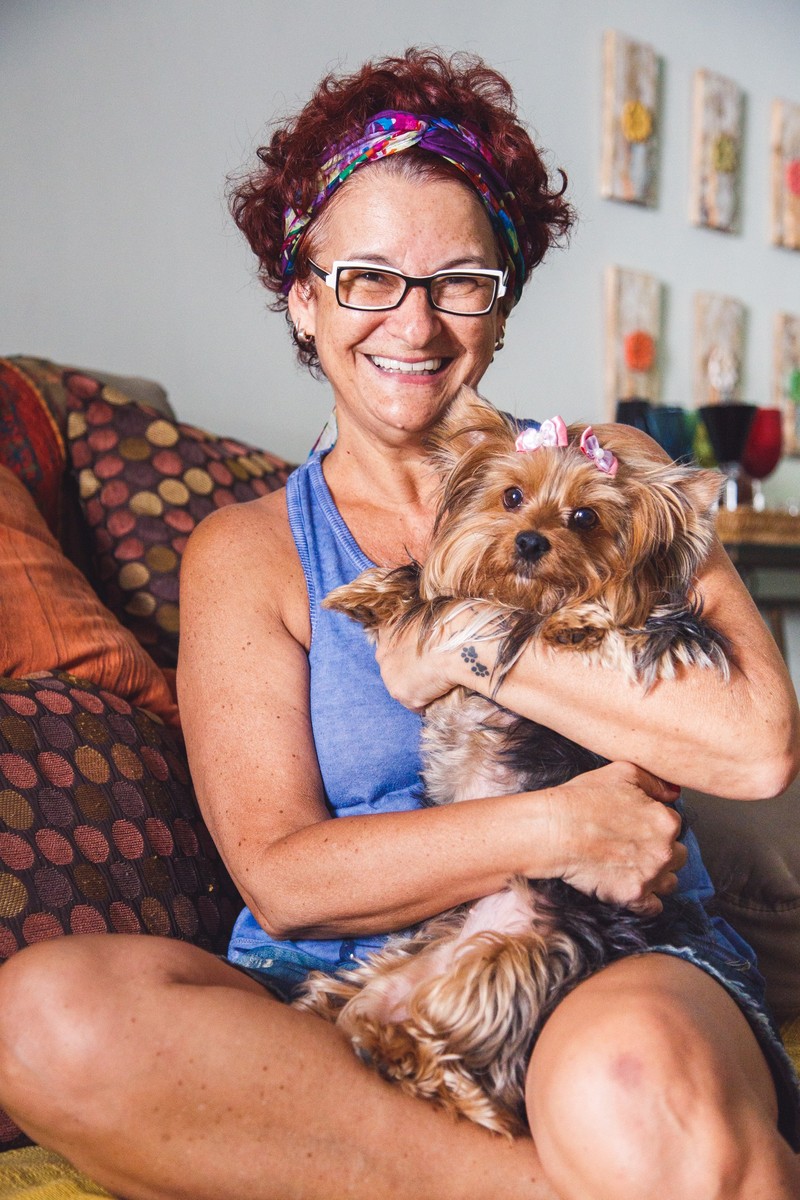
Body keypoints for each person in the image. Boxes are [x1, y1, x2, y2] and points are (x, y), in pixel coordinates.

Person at [0, 47, 799, 1200]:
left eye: (459, 280)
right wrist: (553, 826)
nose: (414, 325)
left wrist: (467, 641)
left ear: (503, 301)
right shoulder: (249, 552)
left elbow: (754, 741)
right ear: (304, 296)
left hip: (602, 952)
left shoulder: (610, 476)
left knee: (623, 1082)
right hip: (342, 985)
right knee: (44, 1019)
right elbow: (284, 881)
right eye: (367, 277)